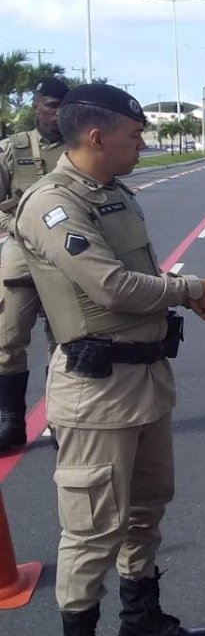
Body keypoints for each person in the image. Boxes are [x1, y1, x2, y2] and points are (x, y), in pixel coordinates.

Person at [12, 83, 205, 636]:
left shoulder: (112, 194)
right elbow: (112, 287)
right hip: (96, 391)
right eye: (135, 136)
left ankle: (142, 620)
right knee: (92, 531)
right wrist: (193, 287)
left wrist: (189, 297)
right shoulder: (53, 204)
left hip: (146, 378)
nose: (143, 145)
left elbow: (142, 275)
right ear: (98, 137)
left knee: (146, 510)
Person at [0, 76, 69, 453]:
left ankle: (61, 420)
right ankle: (10, 421)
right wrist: (18, 226)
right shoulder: (12, 149)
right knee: (7, 338)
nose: (57, 115)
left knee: (64, 340)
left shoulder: (79, 149)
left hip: (65, 256)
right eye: (51, 106)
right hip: (21, 252)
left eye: (63, 107)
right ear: (36, 107)